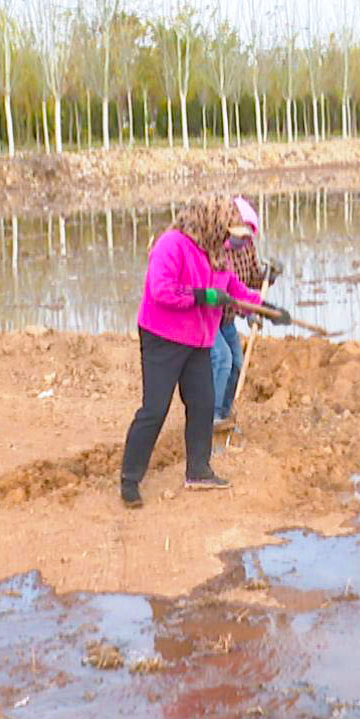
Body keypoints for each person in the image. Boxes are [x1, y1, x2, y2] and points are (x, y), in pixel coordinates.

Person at [120, 196, 291, 509]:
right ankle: (130, 480)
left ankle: (198, 471)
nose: (230, 239)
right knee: (154, 409)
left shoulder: (217, 252)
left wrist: (266, 308)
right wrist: (202, 296)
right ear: (212, 223)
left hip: (198, 340)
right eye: (228, 231)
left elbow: (234, 290)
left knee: (202, 404)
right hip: (163, 338)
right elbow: (161, 289)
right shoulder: (172, 244)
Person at [211, 197, 279, 432]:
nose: (244, 241)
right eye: (241, 235)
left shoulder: (246, 248)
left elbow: (251, 280)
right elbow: (221, 289)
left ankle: (224, 413)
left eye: (248, 236)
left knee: (237, 363)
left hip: (228, 319)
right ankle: (211, 416)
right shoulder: (214, 250)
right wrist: (247, 309)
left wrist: (268, 277)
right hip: (209, 318)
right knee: (222, 360)